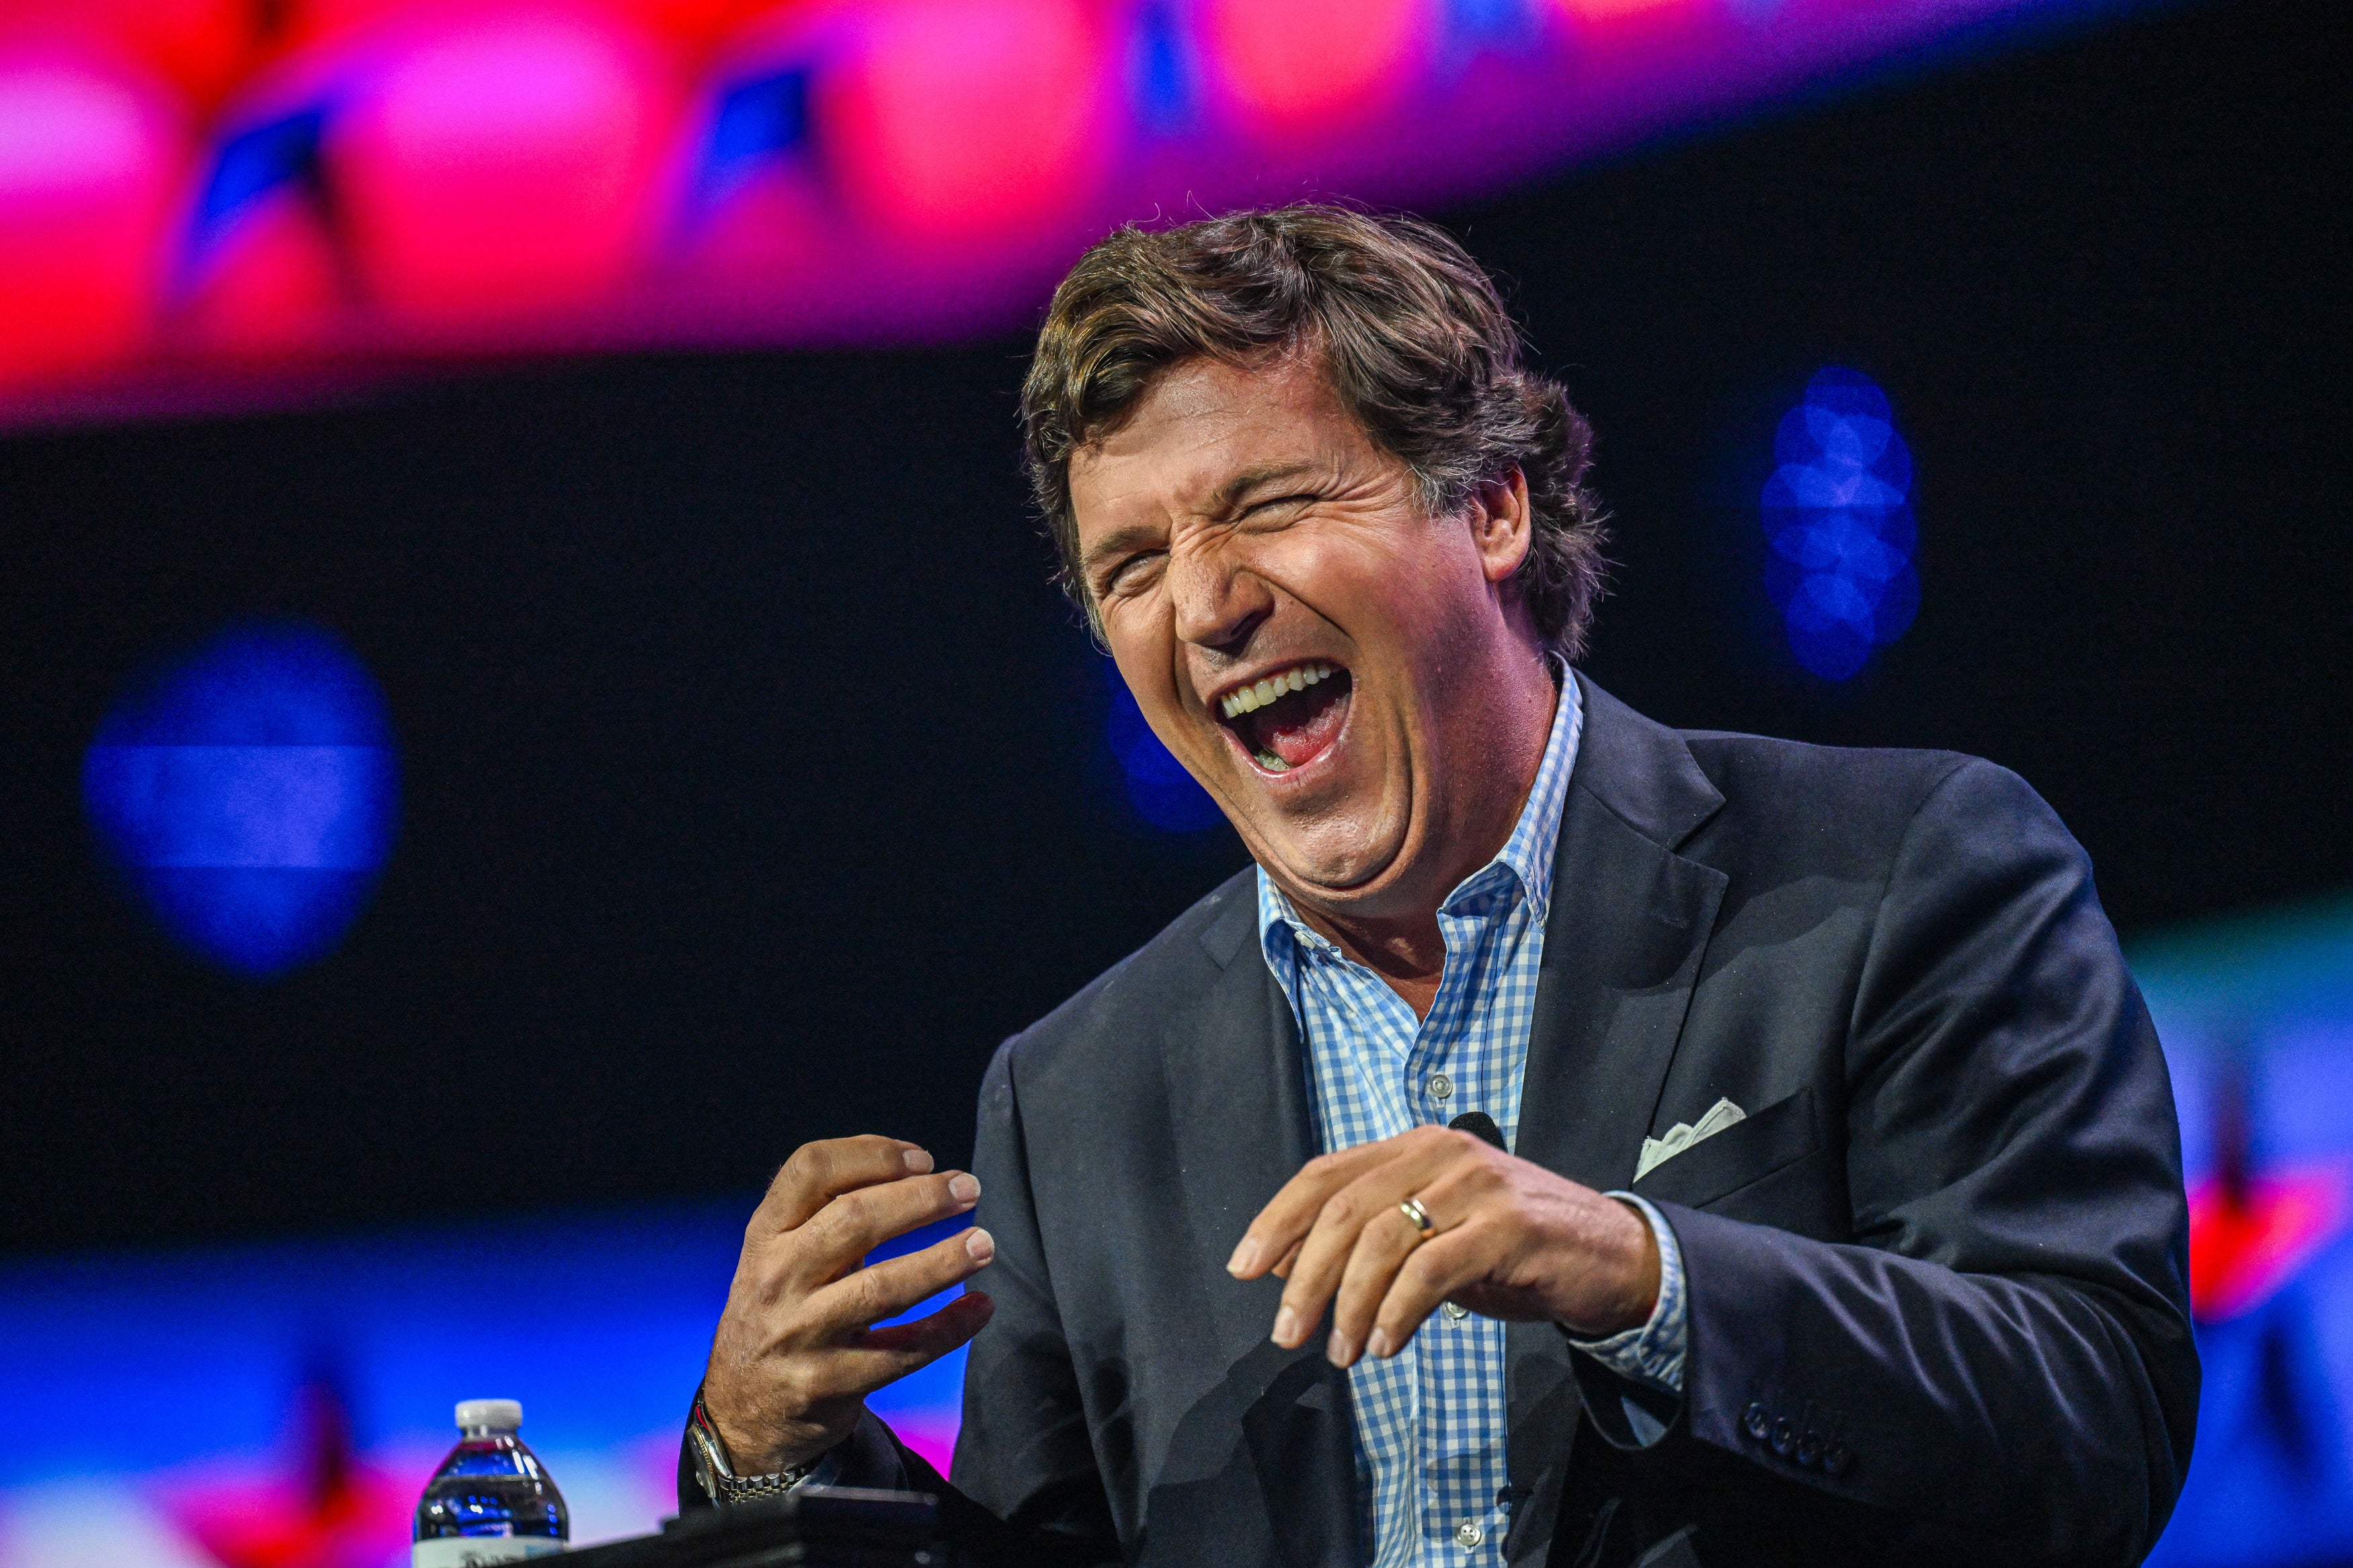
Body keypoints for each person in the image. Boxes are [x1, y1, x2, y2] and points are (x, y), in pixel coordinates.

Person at [679, 206, 2196, 1567]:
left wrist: (1640, 1275)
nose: (1205, 605)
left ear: (1490, 508)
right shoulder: (1076, 1097)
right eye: (1131, 565)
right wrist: (762, 1462)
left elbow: (2096, 1420)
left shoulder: (1899, 868)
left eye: (1267, 504)